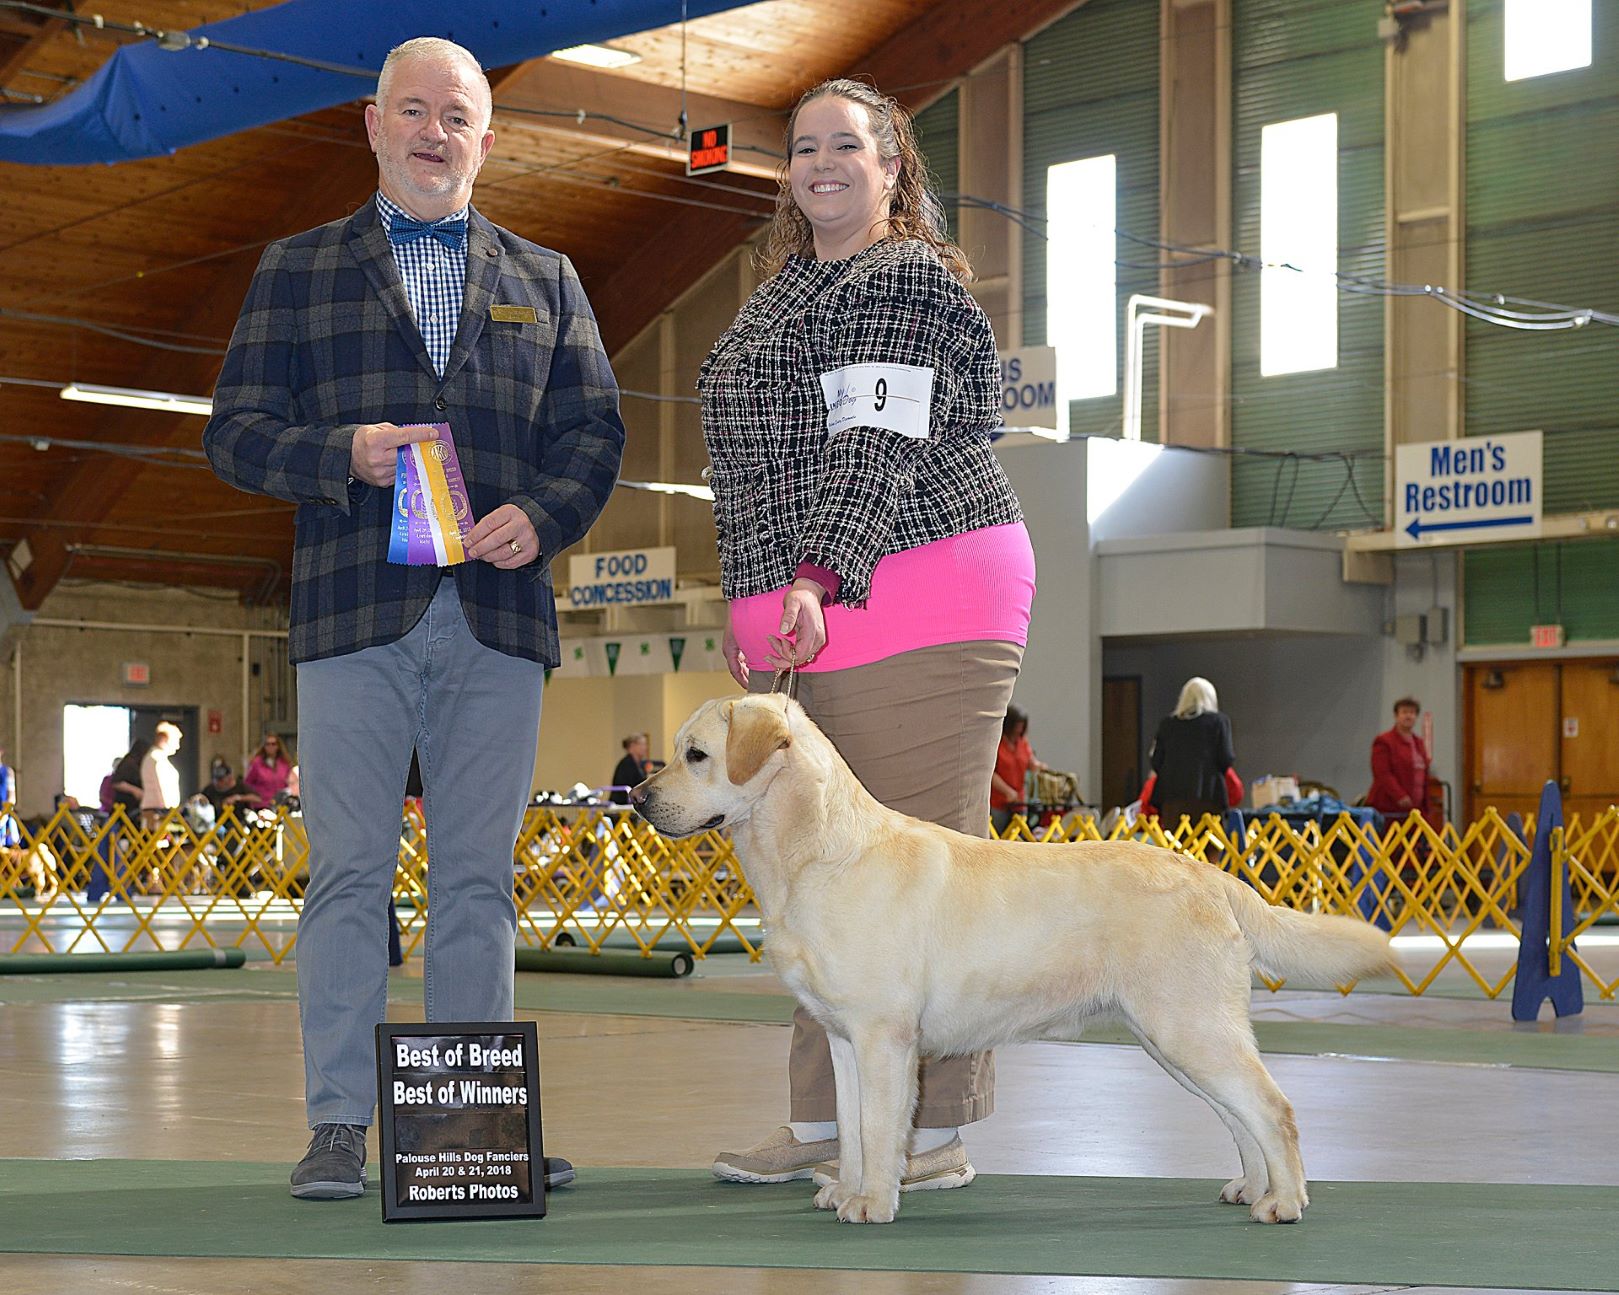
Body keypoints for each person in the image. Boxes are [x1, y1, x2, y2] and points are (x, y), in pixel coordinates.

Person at [203, 36, 623, 1201]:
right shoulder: (296, 268)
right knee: (347, 875)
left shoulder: (549, 276)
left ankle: (475, 1126)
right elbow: (231, 431)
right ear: (373, 126)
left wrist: (540, 516)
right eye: (412, 111)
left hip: (497, 618)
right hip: (352, 616)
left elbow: (595, 435)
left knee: (478, 882)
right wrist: (343, 452)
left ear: (487, 137)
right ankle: (340, 1121)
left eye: (457, 114)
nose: (434, 131)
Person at [699, 78, 1035, 1193]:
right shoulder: (783, 289)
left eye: (849, 145)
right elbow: (749, 470)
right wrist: (746, 597)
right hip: (811, 602)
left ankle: (926, 1134)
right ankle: (820, 1126)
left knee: (915, 875)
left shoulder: (902, 280)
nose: (822, 163)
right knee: (817, 880)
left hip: (922, 584)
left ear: (895, 167)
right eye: (803, 148)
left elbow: (874, 444)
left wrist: (810, 573)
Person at [1149, 677, 1236, 828]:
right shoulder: (1219, 722)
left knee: (1174, 845)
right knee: (1209, 846)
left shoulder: (1167, 725)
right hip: (1208, 796)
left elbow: (1156, 762)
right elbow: (1226, 758)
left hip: (1172, 799)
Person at [1368, 696, 1431, 823]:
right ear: (1396, 716)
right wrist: (1400, 795)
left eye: (1412, 713)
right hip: (1390, 807)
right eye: (1404, 712)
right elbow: (1382, 773)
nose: (1408, 716)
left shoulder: (1419, 742)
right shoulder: (1384, 741)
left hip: (1416, 808)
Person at [990, 706, 1047, 833]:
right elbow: (991, 774)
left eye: (1022, 725)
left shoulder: (1023, 742)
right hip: (998, 802)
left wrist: (1040, 767)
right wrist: (1007, 791)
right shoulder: (998, 744)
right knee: (996, 834)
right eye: (1016, 725)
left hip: (1019, 801)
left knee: (1019, 835)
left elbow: (1031, 762)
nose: (1019, 729)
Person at [139, 723, 183, 826]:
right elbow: (161, 787)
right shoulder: (156, 759)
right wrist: (169, 810)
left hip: (158, 809)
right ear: (164, 739)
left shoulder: (156, 758)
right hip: (157, 811)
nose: (178, 746)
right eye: (175, 741)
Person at [243, 734, 295, 808]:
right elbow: (247, 784)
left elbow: (290, 783)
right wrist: (256, 796)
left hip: (281, 805)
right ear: (264, 746)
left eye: (273, 744)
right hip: (262, 805)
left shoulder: (285, 763)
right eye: (267, 744)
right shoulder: (256, 763)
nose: (271, 747)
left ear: (278, 746)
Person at [609, 733, 650, 805]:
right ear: (632, 746)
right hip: (623, 804)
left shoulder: (640, 765)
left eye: (645, 744)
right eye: (642, 744)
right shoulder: (626, 764)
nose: (645, 748)